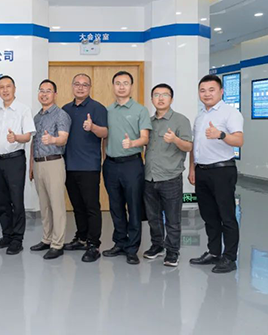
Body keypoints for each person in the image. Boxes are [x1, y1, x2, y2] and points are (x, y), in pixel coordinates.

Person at [188, 74, 244, 274]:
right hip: (202, 171)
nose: (206, 94)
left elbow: (239, 140)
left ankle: (229, 257)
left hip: (222, 170)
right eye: (202, 90)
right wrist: (192, 168)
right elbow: (195, 145)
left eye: (211, 90)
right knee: (209, 215)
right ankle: (213, 252)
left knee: (226, 215)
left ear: (221, 91)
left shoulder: (230, 113)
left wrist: (220, 134)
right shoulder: (200, 116)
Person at [102, 71, 152, 265]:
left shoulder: (141, 110)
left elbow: (145, 138)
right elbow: (104, 137)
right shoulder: (107, 110)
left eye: (125, 83)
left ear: (131, 86)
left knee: (134, 207)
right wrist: (104, 159)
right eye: (118, 83)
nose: (121, 87)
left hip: (132, 164)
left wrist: (132, 143)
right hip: (111, 165)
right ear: (113, 86)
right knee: (115, 207)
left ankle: (132, 248)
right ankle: (120, 243)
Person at [143, 83, 192, 267]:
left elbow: (188, 146)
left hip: (170, 177)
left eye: (165, 95)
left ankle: (172, 251)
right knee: (153, 217)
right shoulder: (148, 122)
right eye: (156, 95)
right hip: (150, 177)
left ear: (171, 99)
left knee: (172, 219)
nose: (160, 98)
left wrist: (175, 139)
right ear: (152, 99)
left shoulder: (181, 120)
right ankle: (157, 246)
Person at [62, 73, 108, 263]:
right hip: (69, 165)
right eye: (77, 84)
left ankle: (93, 244)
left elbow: (105, 132)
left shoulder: (98, 108)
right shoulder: (65, 109)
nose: (80, 88)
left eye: (85, 85)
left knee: (91, 207)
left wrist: (93, 127)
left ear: (90, 88)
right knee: (77, 206)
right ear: (72, 86)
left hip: (89, 166)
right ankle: (81, 238)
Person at [0, 75, 35, 255]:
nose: (5, 90)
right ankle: (6, 235)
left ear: (14, 89)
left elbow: (28, 136)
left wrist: (16, 137)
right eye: (2, 87)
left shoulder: (23, 109)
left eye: (8, 86)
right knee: (2, 201)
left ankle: (17, 239)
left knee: (16, 200)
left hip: (15, 160)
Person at [29, 79, 71, 260]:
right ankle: (46, 239)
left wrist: (52, 140)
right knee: (44, 205)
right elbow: (34, 143)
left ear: (55, 94)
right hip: (38, 163)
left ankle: (57, 244)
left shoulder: (61, 115)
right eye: (42, 90)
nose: (44, 94)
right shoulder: (37, 117)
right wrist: (31, 166)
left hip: (54, 162)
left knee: (56, 205)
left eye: (48, 90)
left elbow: (63, 138)